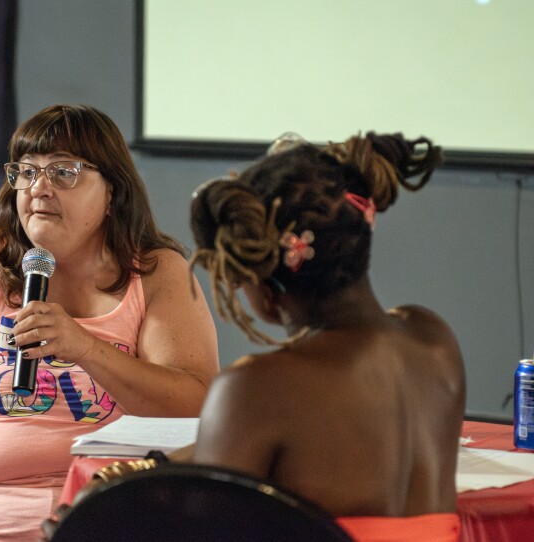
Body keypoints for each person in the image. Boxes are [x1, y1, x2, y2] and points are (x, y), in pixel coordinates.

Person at [51, 132, 466, 542]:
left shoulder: (258, 388)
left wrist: (90, 528)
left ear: (263, 282)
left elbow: (196, 533)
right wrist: (140, 471)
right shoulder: (433, 339)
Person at [0, 104, 219, 541]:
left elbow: (195, 407)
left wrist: (86, 348)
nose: (38, 188)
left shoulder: (157, 273)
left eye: (63, 172)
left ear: (113, 191)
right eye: (26, 172)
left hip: (106, 525)